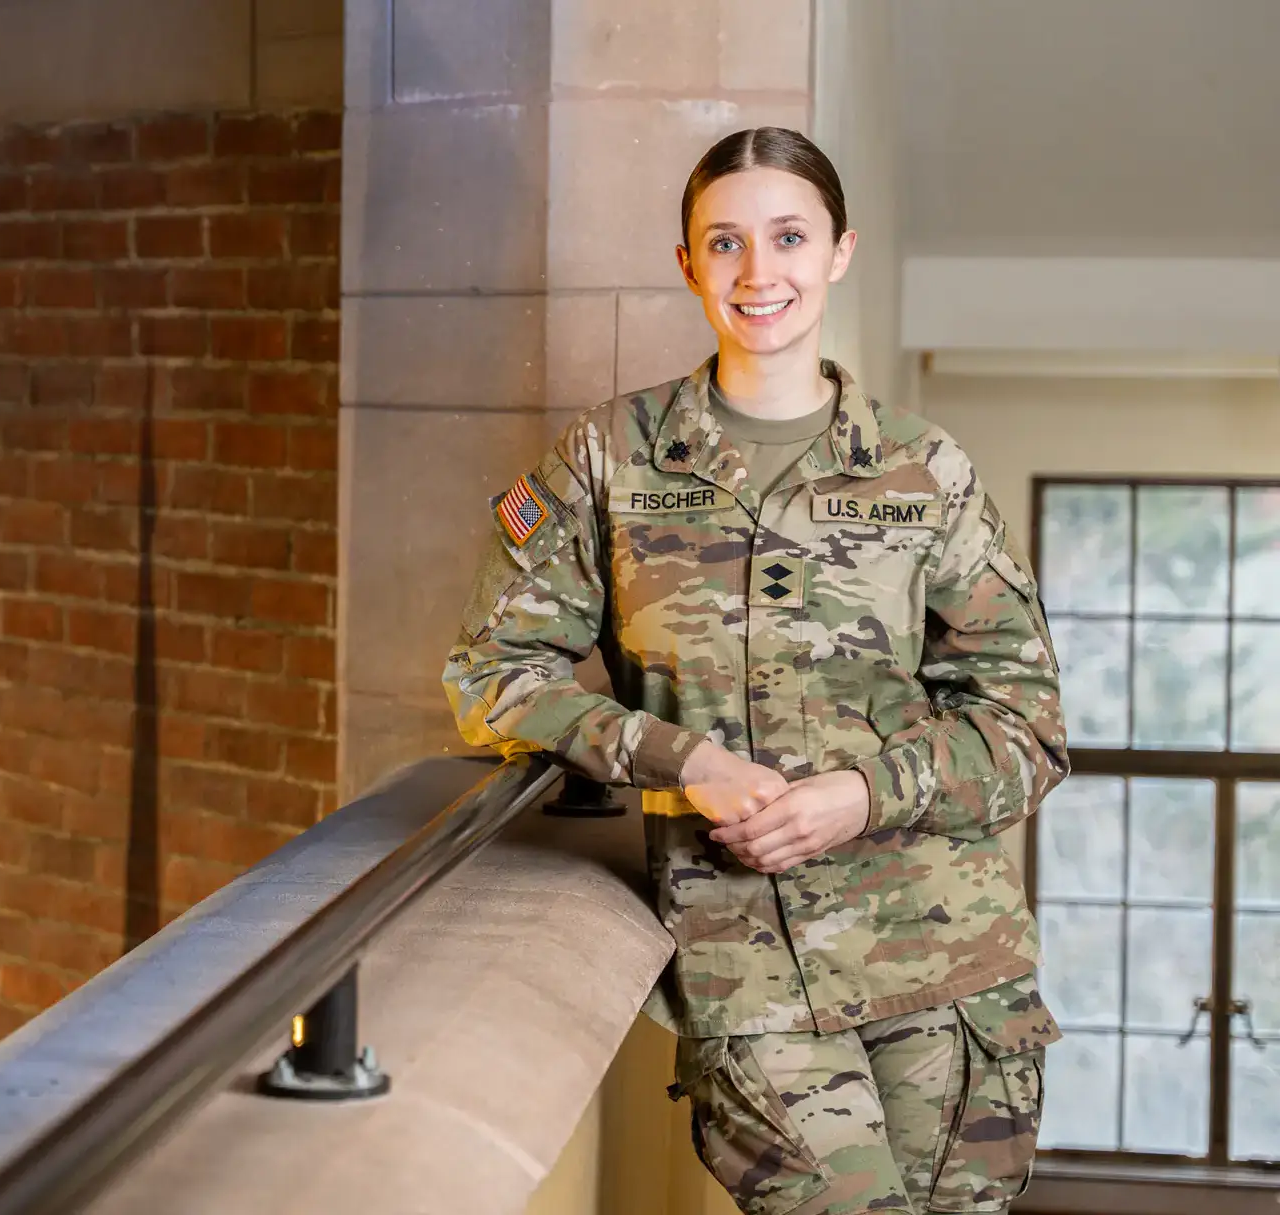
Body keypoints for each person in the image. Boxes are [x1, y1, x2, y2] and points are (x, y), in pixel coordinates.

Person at [441, 127, 1070, 1215]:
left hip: (954, 959)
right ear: (686, 264)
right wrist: (674, 758)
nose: (757, 271)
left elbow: (1026, 726)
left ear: (839, 251)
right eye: (723, 243)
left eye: (788, 237)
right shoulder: (611, 457)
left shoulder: (926, 470)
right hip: (749, 972)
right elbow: (492, 674)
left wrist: (861, 795)